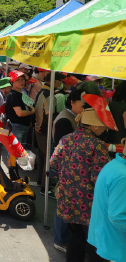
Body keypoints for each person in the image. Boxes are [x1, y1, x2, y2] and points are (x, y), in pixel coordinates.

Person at [50, 94, 113, 262]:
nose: (103, 129)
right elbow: (99, 177)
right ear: (93, 125)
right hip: (89, 203)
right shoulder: (97, 145)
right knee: (93, 242)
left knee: (74, 239)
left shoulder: (66, 139)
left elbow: (53, 162)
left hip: (68, 198)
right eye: (101, 126)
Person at [51, 88, 85, 253]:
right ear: (72, 102)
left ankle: (61, 238)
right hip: (66, 170)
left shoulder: (70, 116)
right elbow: (61, 148)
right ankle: (60, 239)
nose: (84, 108)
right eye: (82, 104)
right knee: (64, 205)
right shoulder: (66, 119)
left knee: (65, 204)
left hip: (68, 170)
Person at [88, 141, 126, 262]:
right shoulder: (123, 176)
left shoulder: (113, 165)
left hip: (105, 237)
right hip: (116, 243)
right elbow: (117, 216)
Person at [34, 72, 65, 195]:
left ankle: (40, 181)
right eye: (60, 81)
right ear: (55, 81)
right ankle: (44, 187)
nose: (61, 84)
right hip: (45, 130)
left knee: (42, 157)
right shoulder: (49, 94)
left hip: (39, 128)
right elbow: (49, 116)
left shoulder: (42, 91)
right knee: (47, 158)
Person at [5, 70, 35, 144]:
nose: (21, 82)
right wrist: (32, 112)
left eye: (22, 79)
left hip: (24, 125)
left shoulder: (22, 93)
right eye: (17, 80)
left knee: (21, 151)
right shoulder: (13, 95)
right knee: (16, 151)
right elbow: (20, 113)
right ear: (12, 82)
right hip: (17, 126)